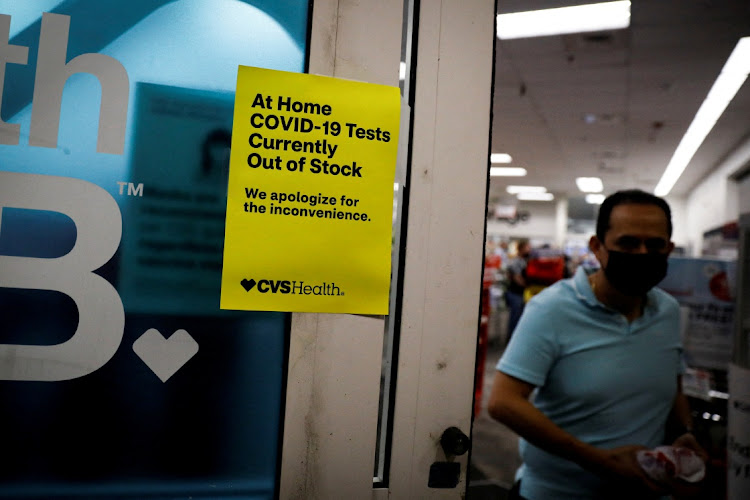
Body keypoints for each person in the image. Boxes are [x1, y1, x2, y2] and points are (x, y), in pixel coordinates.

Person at [488, 190, 708, 500]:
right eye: (628, 243)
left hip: (648, 490)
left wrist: (683, 433)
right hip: (557, 494)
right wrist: (596, 460)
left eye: (655, 245)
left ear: (669, 249)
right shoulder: (551, 309)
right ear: (597, 248)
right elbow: (503, 402)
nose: (643, 254)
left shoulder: (668, 311)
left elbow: (673, 384)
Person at [505, 239, 531, 341]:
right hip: (515, 293)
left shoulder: (524, 260)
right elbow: (517, 278)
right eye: (527, 247)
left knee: (520, 316)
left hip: (520, 293)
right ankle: (511, 338)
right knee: (515, 317)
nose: (529, 249)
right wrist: (527, 287)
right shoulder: (516, 261)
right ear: (521, 248)